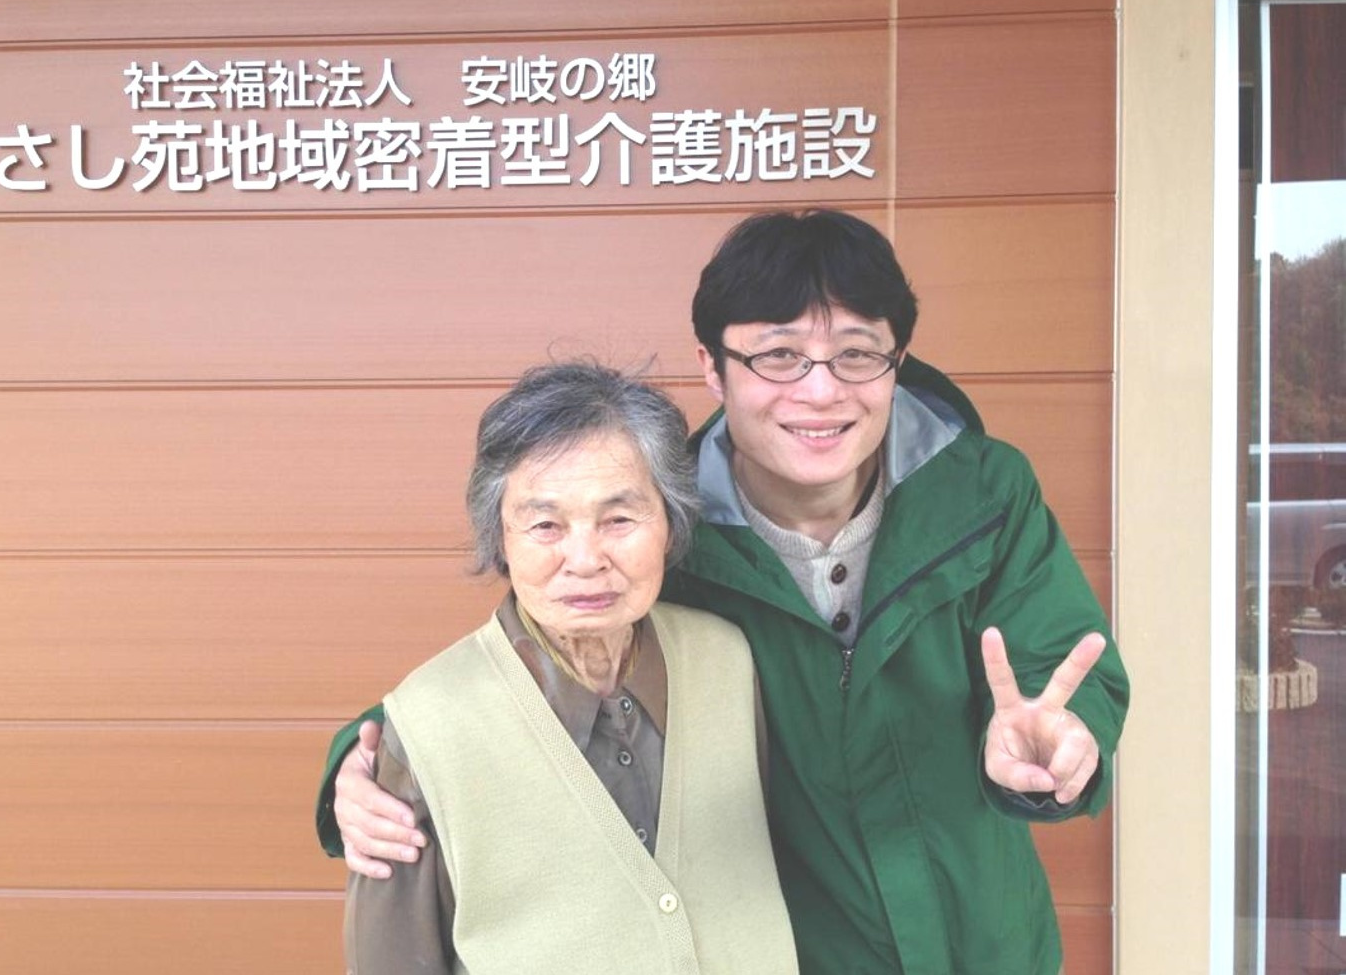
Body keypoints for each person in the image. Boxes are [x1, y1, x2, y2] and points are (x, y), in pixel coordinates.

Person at [323, 210, 1130, 974]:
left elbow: (1062, 669)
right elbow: (535, 650)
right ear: (713, 367)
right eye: (778, 356)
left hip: (986, 944)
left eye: (857, 354)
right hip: (802, 950)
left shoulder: (983, 492)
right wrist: (364, 766)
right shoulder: (663, 521)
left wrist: (1064, 741)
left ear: (898, 359)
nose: (821, 391)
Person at [343, 361, 798, 975]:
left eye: (619, 519)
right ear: (500, 539)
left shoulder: (727, 659)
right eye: (545, 525)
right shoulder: (429, 724)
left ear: (670, 524)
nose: (585, 560)